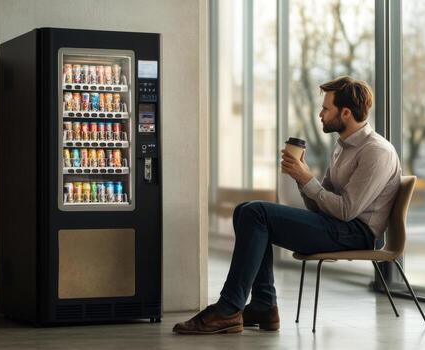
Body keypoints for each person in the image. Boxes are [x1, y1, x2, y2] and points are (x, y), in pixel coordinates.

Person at [172, 76, 402, 335]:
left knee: (256, 213)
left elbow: (347, 211)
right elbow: (321, 202)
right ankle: (263, 305)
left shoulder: (376, 151)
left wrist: (306, 177)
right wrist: (300, 178)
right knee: (245, 210)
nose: (320, 114)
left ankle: (229, 308)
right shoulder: (342, 148)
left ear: (346, 113)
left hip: (355, 233)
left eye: (326, 108)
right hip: (336, 225)